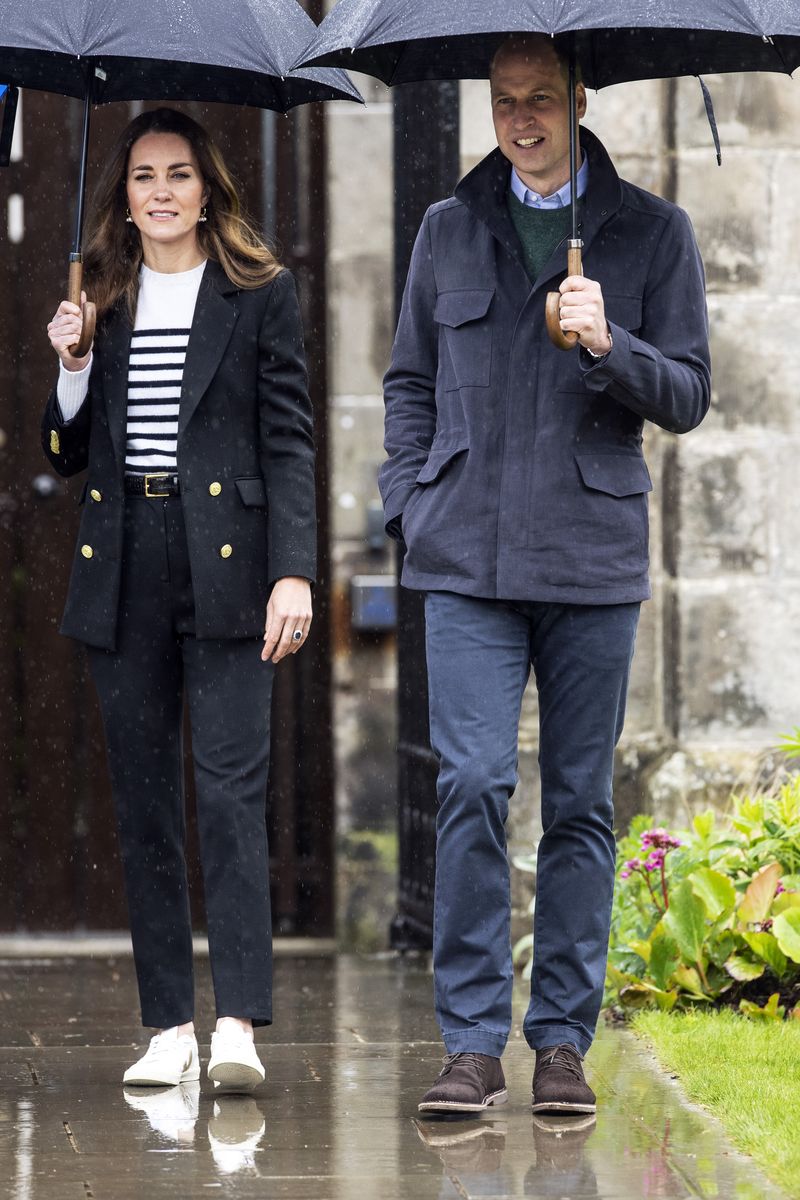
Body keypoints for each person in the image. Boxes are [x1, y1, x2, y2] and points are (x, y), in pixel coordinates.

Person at [380, 34, 710, 1115]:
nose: (520, 120)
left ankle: (561, 1041)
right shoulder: (446, 227)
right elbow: (407, 380)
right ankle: (471, 1043)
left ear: (579, 101)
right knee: (471, 785)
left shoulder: (653, 231)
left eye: (539, 100)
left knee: (578, 803)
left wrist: (610, 343)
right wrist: (409, 501)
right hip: (465, 557)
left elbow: (689, 392)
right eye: (502, 101)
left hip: (589, 553)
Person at [43, 107, 316, 1093]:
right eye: (143, 177)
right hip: (125, 561)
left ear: (207, 192)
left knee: (230, 795)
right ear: (123, 197)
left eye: (178, 175)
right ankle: (168, 1027)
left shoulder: (258, 292)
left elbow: (288, 438)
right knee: (146, 801)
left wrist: (294, 570)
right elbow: (66, 454)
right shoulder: (100, 298)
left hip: (230, 562)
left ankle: (236, 1024)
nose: (160, 192)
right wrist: (73, 366)